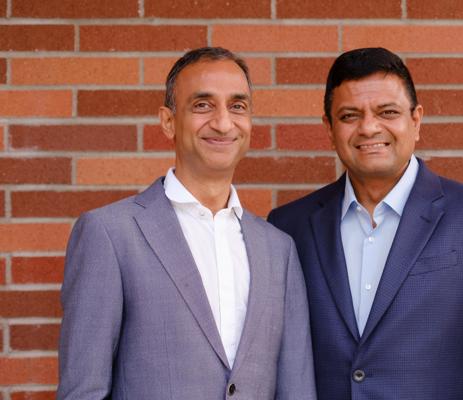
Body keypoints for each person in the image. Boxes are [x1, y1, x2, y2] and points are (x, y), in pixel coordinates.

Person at [268, 47, 463, 399]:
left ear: (416, 120)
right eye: (349, 115)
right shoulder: (290, 226)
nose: (369, 127)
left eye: (387, 112)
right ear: (329, 127)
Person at [58, 47, 316, 400]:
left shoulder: (278, 249)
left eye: (237, 106)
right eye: (203, 105)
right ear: (168, 121)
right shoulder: (110, 234)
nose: (223, 122)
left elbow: (296, 389)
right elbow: (83, 390)